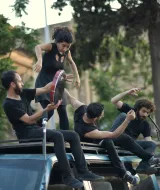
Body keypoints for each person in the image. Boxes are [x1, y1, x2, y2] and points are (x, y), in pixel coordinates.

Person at [1, 70, 104, 189]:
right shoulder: (9, 104)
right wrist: (45, 110)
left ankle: (82, 171)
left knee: (73, 135)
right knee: (57, 136)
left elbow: (45, 88)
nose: (22, 83)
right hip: (26, 135)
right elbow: (28, 120)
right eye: (19, 81)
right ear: (12, 84)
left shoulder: (23, 93)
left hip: (36, 128)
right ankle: (67, 176)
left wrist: (59, 80)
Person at [34, 26, 80, 130]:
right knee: (49, 111)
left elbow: (72, 63)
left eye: (67, 46)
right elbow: (38, 47)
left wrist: (77, 78)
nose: (65, 48)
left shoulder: (67, 52)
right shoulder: (51, 47)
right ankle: (34, 128)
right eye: (63, 45)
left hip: (57, 84)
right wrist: (40, 60)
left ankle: (66, 138)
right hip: (44, 83)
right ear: (58, 42)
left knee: (63, 110)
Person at [111, 88, 158, 174]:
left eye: (147, 113)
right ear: (137, 108)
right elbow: (113, 100)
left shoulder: (145, 124)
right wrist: (126, 92)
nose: (145, 114)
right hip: (117, 138)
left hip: (130, 145)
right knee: (123, 117)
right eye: (143, 111)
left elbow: (149, 142)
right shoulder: (129, 110)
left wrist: (153, 147)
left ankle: (143, 166)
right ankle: (149, 158)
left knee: (152, 144)